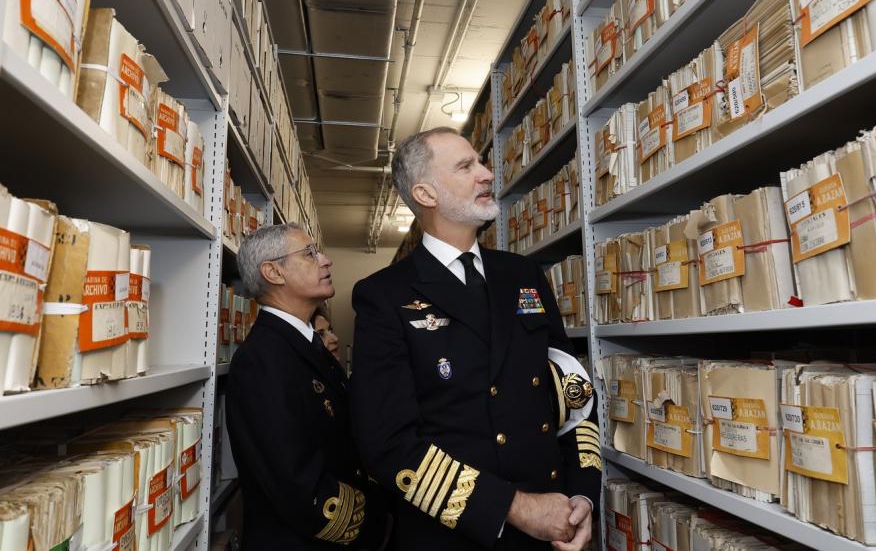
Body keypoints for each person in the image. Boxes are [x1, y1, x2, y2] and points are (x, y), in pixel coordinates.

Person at [351, 127, 601, 551]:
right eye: (466, 166)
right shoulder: (384, 296)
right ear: (426, 194)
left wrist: (582, 497)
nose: (486, 174)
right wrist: (515, 508)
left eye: (481, 162)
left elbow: (573, 393)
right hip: (456, 534)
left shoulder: (523, 275)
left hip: (556, 528)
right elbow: (387, 444)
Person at [226, 223, 390, 549]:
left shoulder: (304, 344)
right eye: (310, 253)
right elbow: (296, 483)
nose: (326, 260)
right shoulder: (262, 360)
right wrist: (377, 522)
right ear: (273, 272)